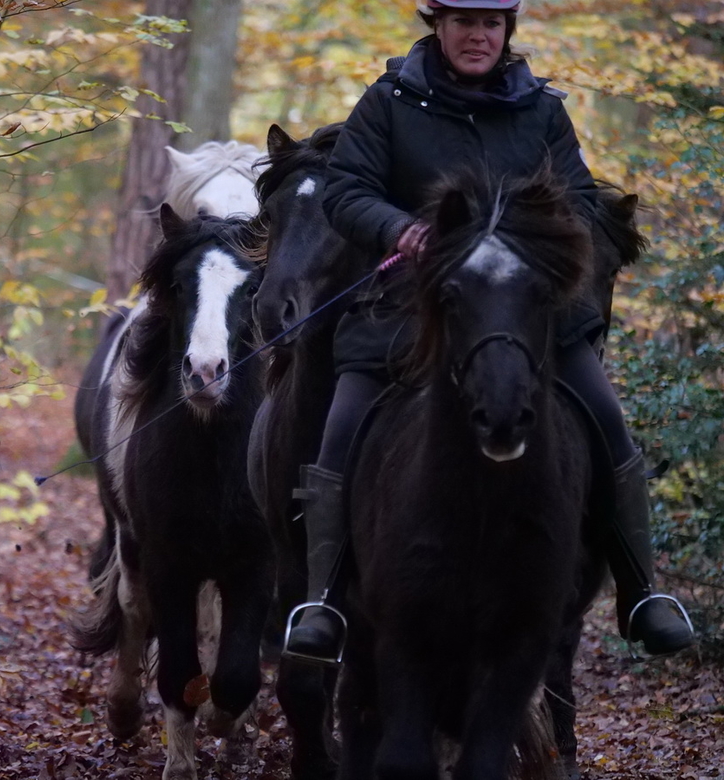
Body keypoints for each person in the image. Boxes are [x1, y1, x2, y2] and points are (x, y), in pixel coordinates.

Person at [283, 0, 695, 664]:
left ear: (507, 33)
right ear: (437, 28)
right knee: (341, 427)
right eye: (463, 23)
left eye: (491, 25)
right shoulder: (388, 101)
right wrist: (397, 228)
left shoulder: (542, 110)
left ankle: (643, 593)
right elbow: (345, 189)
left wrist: (533, 239)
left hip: (526, 307)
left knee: (606, 420)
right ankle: (324, 600)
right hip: (409, 305)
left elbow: (582, 200)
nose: (477, 36)